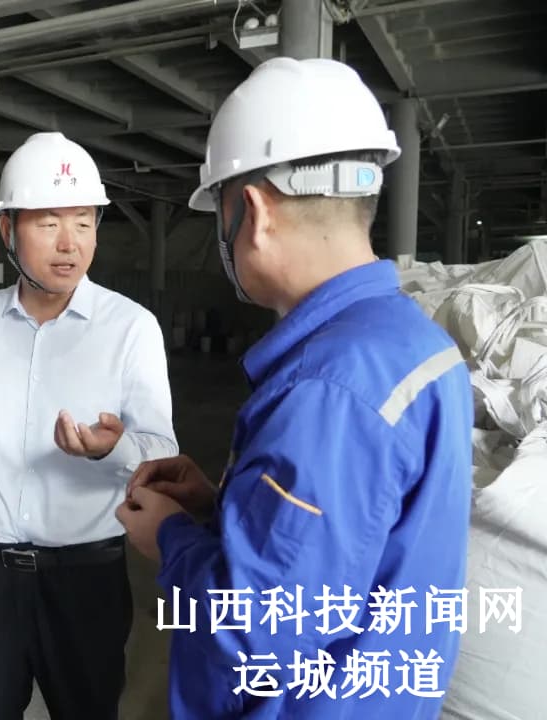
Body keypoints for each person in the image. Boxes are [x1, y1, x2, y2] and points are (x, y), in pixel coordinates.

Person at [116, 57, 474, 719]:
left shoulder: (328, 390)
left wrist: (170, 538)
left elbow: (255, 633)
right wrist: (220, 508)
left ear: (251, 212)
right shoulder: (413, 344)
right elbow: (348, 543)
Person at [0, 131, 179, 720]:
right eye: (48, 223)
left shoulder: (131, 328)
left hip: (85, 578)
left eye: (84, 222)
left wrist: (113, 450)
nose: (70, 243)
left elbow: (162, 450)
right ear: (7, 229)